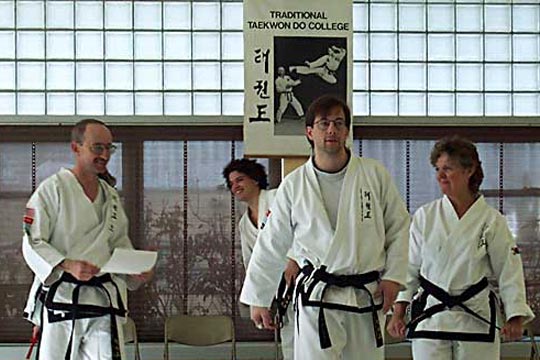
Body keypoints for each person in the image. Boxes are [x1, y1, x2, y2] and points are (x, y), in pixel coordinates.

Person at [240, 95, 410, 359]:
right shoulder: (294, 184)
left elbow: (399, 227)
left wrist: (393, 277)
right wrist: (259, 298)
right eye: (324, 123)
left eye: (339, 123)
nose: (332, 130)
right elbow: (272, 242)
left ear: (347, 131)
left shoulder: (374, 175)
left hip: (365, 295)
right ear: (310, 132)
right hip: (317, 298)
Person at [387, 136, 535, 360]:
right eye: (438, 169)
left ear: (469, 170)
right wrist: (398, 312)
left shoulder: (491, 221)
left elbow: (508, 271)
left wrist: (515, 317)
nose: (440, 176)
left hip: (475, 318)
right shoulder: (425, 216)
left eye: (448, 168)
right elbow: (410, 268)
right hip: (432, 318)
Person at [22, 119, 153, 360]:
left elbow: (119, 244)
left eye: (109, 148)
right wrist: (67, 264)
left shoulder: (111, 196)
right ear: (76, 147)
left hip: (103, 300)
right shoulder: (52, 189)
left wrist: (134, 270)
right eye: (97, 147)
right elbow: (32, 241)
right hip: (63, 298)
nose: (105, 155)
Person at [222, 158, 298, 360]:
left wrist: (294, 259)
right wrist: (260, 299)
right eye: (231, 184)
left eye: (239, 180)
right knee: (290, 343)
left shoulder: (278, 198)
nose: (235, 186)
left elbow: (304, 230)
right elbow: (253, 265)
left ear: (255, 179)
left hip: (303, 277)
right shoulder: (244, 224)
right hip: (280, 290)